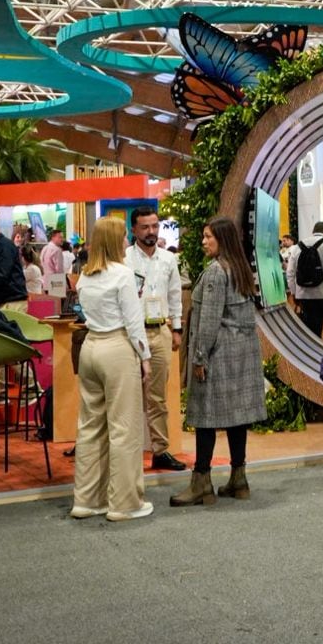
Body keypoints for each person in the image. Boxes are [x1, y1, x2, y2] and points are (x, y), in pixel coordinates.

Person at [172, 218, 266, 506]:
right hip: (243, 353)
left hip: (219, 354)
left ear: (222, 239)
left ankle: (201, 482)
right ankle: (239, 479)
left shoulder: (215, 271)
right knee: (238, 418)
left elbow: (209, 321)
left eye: (208, 236)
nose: (203, 242)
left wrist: (199, 357)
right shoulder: (240, 268)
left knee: (205, 418)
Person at [71, 216, 153, 522]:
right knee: (124, 429)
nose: (126, 241)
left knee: (89, 427)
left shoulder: (84, 275)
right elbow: (133, 322)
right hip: (117, 349)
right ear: (115, 240)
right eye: (123, 236)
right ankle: (124, 503)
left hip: (90, 348)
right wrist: (145, 357)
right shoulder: (123, 274)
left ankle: (86, 500)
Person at [125, 206, 187, 473]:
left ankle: (160, 450)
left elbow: (175, 295)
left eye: (154, 226)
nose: (151, 231)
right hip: (131, 334)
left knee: (158, 397)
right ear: (134, 229)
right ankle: (127, 454)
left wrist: (177, 328)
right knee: (128, 395)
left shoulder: (168, 259)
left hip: (160, 330)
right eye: (145, 227)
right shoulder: (124, 259)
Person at [292, 221, 323, 342]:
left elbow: (290, 272)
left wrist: (295, 293)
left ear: (313, 231)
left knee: (312, 334)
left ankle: (314, 354)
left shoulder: (298, 247)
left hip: (305, 296)